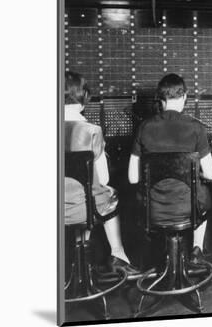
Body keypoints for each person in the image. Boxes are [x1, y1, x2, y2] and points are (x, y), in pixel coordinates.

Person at [128, 74, 212, 259]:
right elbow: (210, 173)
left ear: (161, 99)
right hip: (188, 208)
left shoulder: (144, 127)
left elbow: (133, 178)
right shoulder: (196, 128)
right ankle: (197, 249)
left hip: (153, 209)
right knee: (205, 194)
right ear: (184, 96)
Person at [64, 71, 139, 275]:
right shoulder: (92, 130)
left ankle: (80, 264)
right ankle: (118, 254)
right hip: (84, 209)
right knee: (108, 195)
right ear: (84, 97)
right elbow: (103, 178)